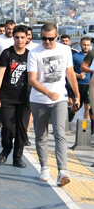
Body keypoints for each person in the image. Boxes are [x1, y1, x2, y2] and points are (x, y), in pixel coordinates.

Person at [28, 23, 79, 187]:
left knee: (59, 133)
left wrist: (77, 95)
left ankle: (62, 171)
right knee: (41, 135)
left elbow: (70, 73)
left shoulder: (65, 50)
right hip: (39, 100)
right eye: (44, 38)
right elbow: (32, 80)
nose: (47, 42)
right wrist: (47, 93)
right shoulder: (34, 52)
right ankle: (44, 167)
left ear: (56, 37)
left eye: (50, 39)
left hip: (60, 99)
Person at [0, 26, 31, 168]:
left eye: (22, 37)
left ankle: (17, 158)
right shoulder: (7, 54)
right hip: (7, 97)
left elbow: (35, 77)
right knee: (9, 127)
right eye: (17, 37)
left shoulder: (30, 55)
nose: (19, 40)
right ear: (13, 37)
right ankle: (6, 148)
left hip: (25, 99)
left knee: (22, 129)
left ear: (27, 38)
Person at [72, 37, 91, 121]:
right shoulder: (75, 56)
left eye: (88, 45)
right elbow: (70, 72)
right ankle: (71, 113)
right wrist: (78, 75)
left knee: (88, 106)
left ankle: (85, 128)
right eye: (84, 45)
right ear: (80, 45)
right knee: (76, 106)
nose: (86, 47)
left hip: (90, 85)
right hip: (78, 85)